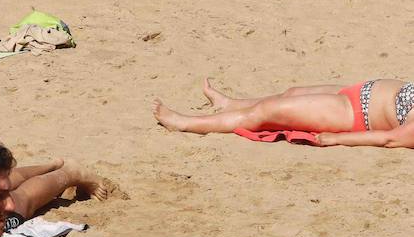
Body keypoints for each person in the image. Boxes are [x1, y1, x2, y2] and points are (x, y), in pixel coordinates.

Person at [154, 77, 414, 147]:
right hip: (359, 94)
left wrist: (337, 139)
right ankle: (230, 104)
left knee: (268, 111)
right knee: (292, 93)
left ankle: (185, 123)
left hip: (352, 114)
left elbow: (391, 139)